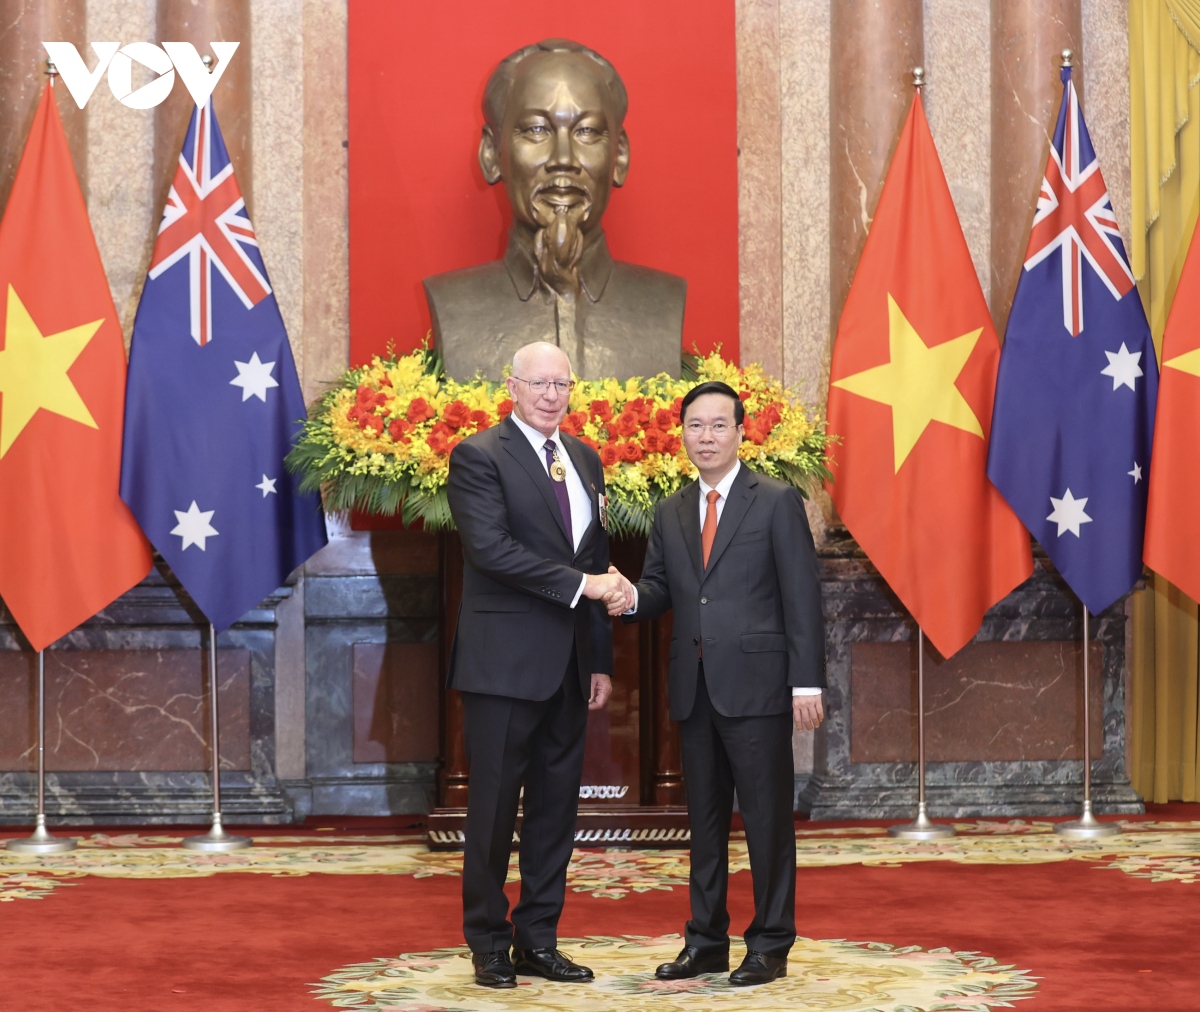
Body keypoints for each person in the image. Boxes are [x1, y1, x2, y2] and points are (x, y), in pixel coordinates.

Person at [607, 380, 825, 986]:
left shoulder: (775, 500)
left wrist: (807, 682)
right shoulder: (671, 509)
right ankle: (705, 942)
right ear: (682, 434)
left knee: (766, 822)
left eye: (718, 425)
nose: (706, 436)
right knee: (703, 825)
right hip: (695, 688)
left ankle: (770, 944)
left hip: (758, 686)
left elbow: (801, 596)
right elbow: (660, 589)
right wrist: (628, 596)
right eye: (695, 426)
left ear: (740, 433)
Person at [446, 340, 634, 989]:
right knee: (495, 808)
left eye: (562, 384)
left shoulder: (584, 457)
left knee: (556, 811)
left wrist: (600, 658)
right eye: (540, 384)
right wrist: (584, 587)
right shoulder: (478, 456)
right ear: (512, 387)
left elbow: (595, 558)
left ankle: (539, 940)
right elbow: (491, 550)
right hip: (503, 664)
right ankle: (488, 943)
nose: (552, 395)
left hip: (571, 664)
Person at [424, 38, 685, 382]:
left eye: (587, 131)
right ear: (492, 154)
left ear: (619, 156)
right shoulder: (453, 304)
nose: (563, 159)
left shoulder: (664, 303)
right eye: (537, 129)